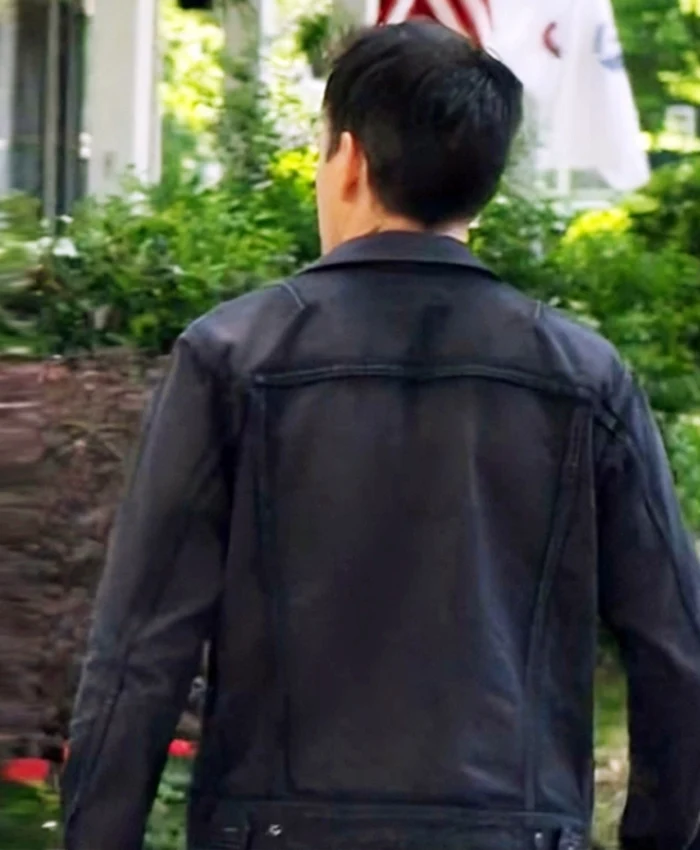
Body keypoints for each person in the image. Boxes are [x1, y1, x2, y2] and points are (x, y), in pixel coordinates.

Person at [61, 20, 700, 850]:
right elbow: (676, 651)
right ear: (484, 181)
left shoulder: (231, 359)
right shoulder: (585, 377)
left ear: (351, 160)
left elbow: (139, 650)